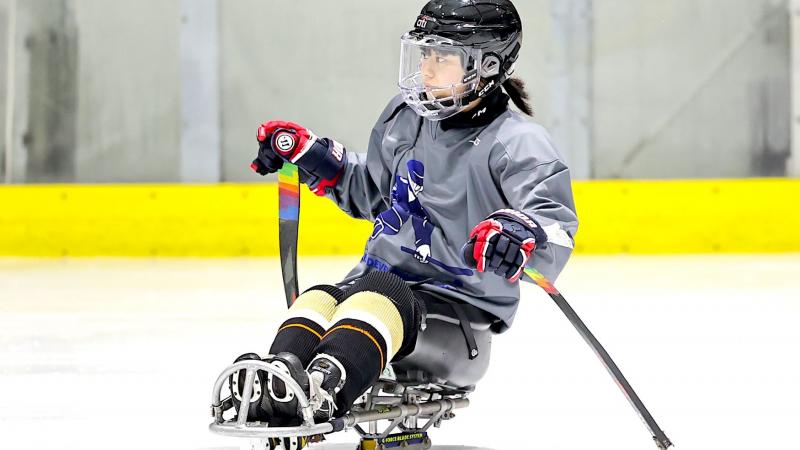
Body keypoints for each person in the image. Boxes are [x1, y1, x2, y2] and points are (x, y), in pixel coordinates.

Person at [239, 0, 578, 429]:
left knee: (380, 294)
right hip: (376, 294)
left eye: (444, 58)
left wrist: (520, 232)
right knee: (323, 296)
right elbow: (375, 194)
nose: (428, 69)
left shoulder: (518, 142)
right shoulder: (406, 118)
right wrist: (317, 159)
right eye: (425, 54)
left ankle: (323, 387)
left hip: (458, 321)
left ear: (487, 67)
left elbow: (555, 226)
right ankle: (280, 377)